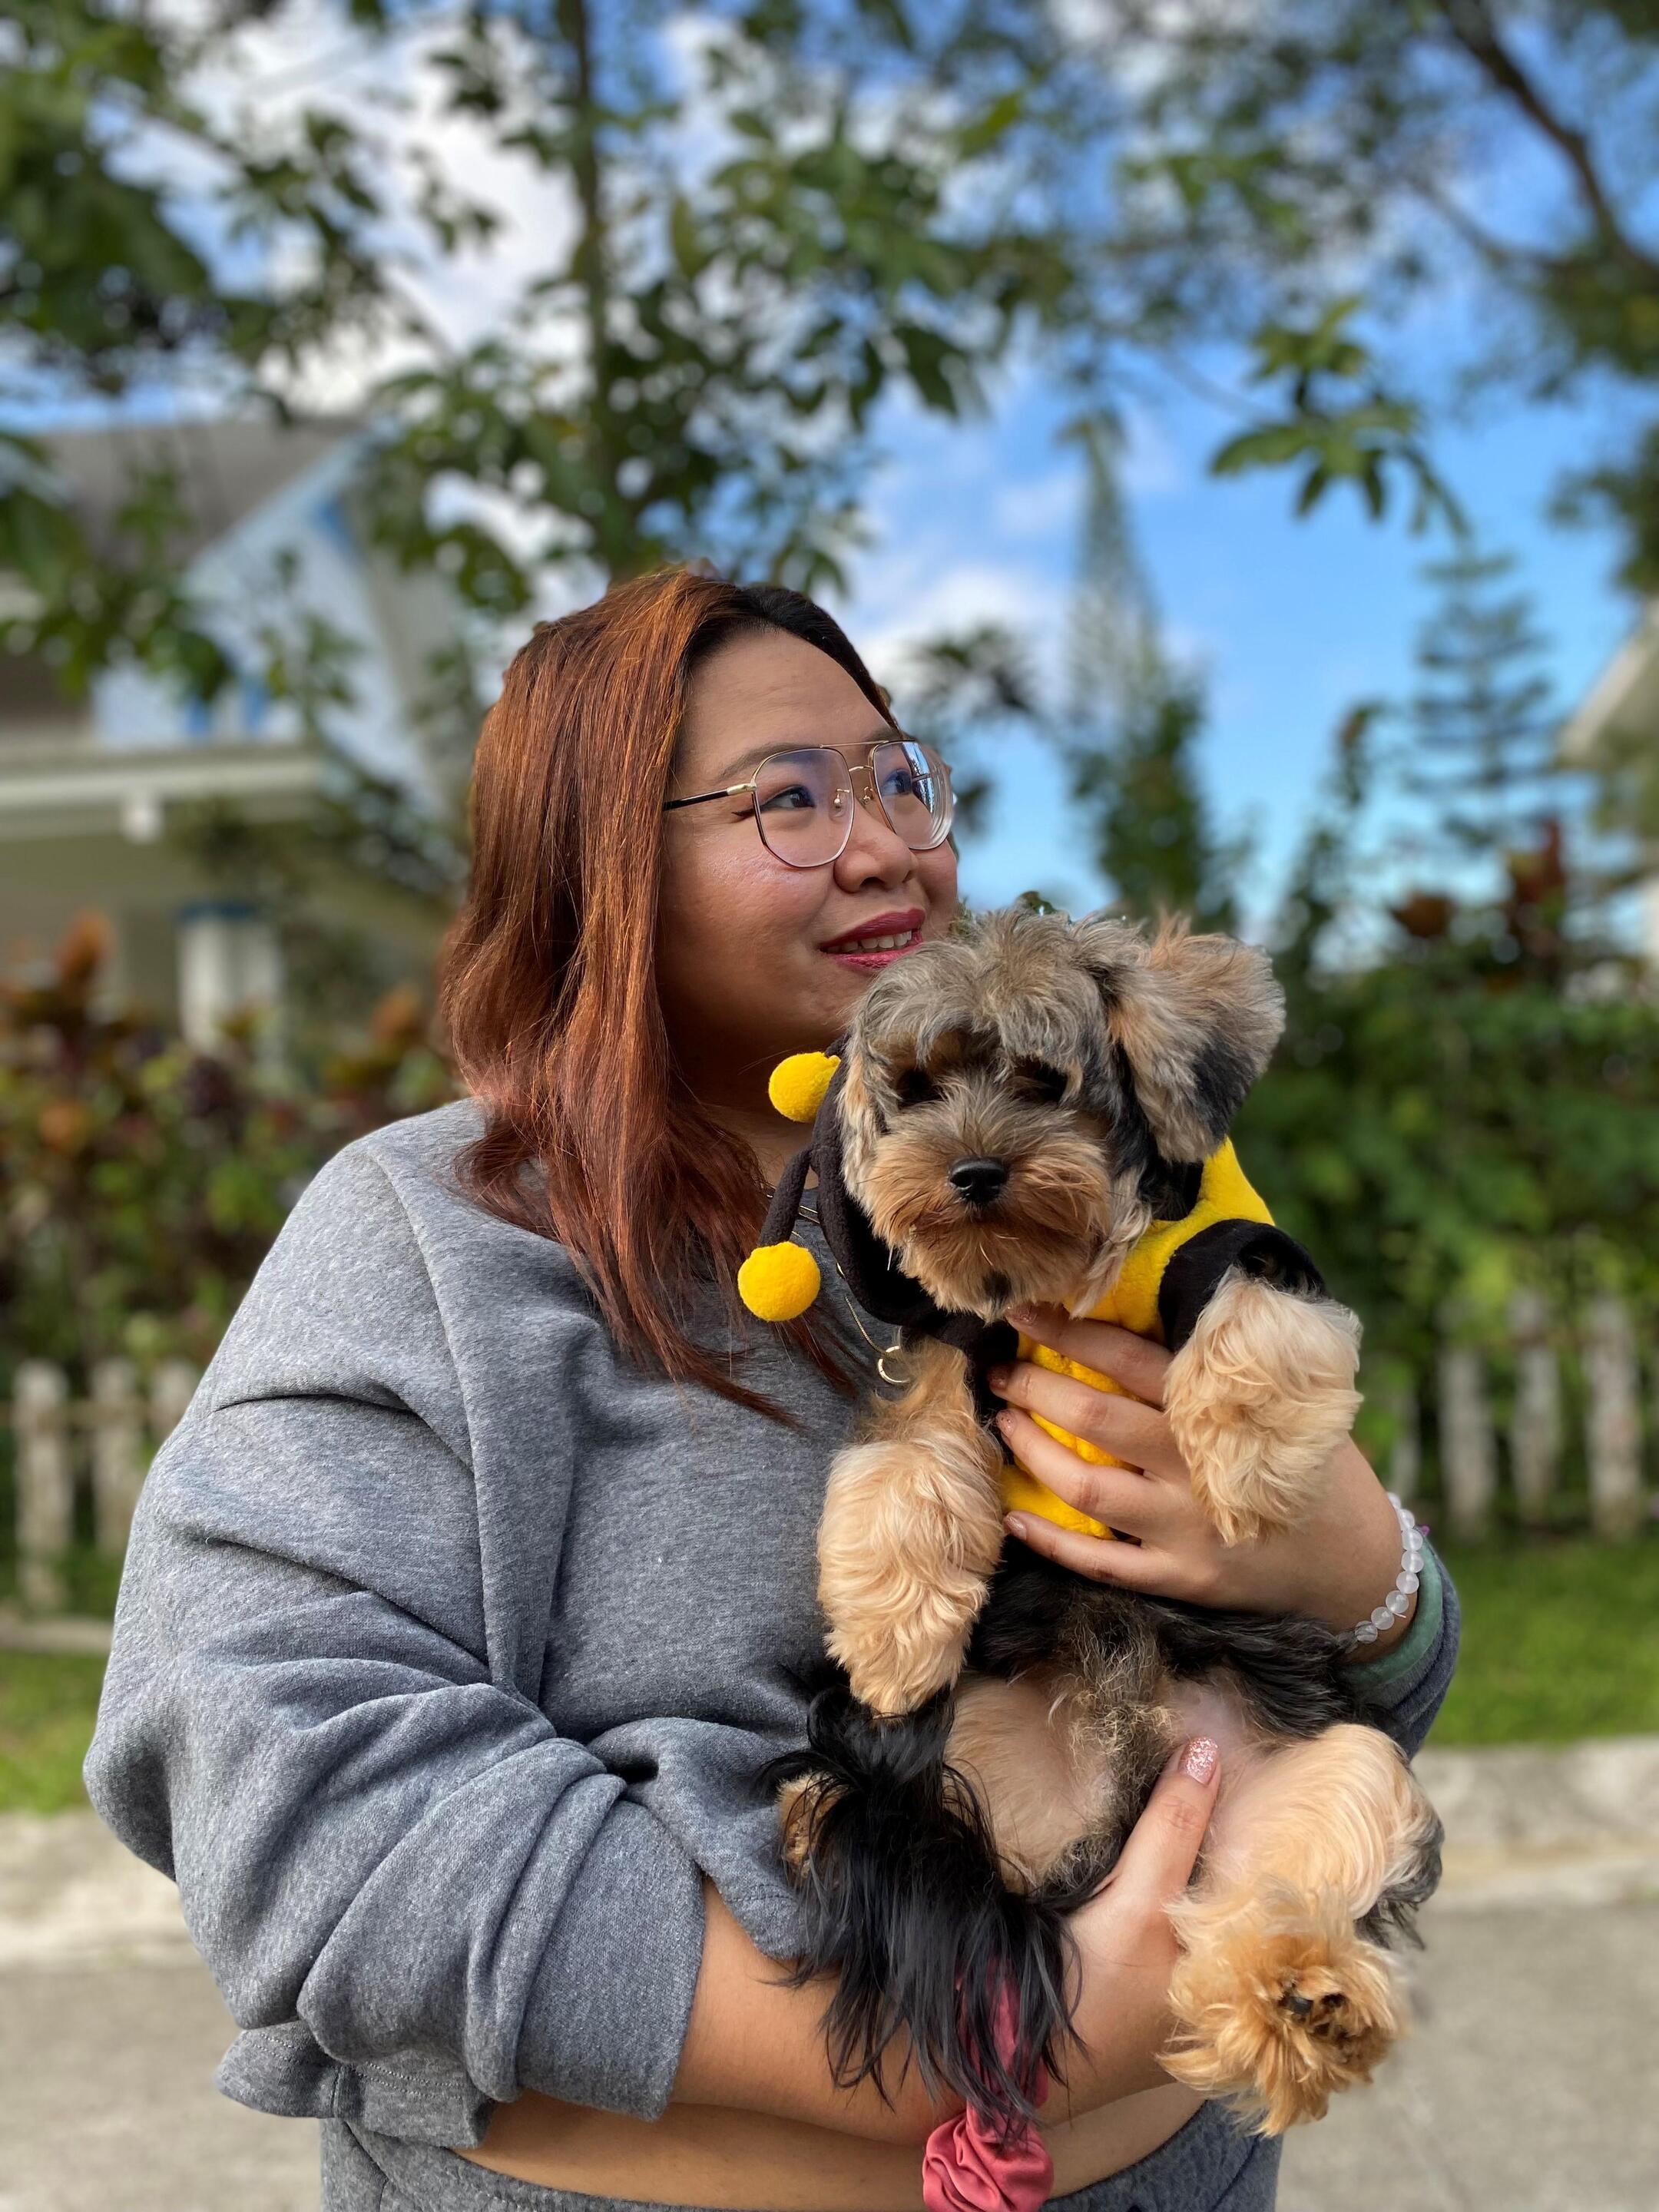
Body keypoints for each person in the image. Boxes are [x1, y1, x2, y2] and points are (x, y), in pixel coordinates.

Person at [86, 567, 1459, 2212]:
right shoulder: (429, 1234)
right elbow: (288, 1788)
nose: (882, 841)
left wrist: (1368, 1579)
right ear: (600, 868)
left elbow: (1296, 1705)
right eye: (786, 799)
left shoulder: (1080, 1192)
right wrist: (975, 2049)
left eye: (897, 776)